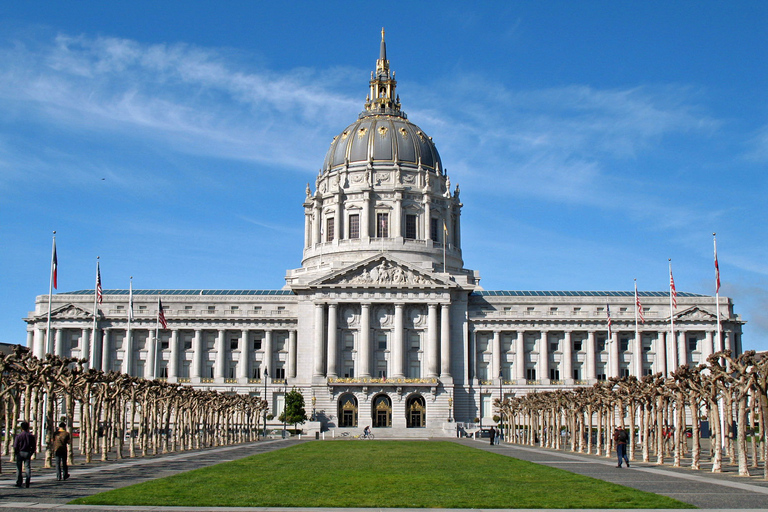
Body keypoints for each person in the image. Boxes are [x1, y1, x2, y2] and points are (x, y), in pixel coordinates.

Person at [14, 421, 36, 488]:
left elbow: (15, 446)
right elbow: (34, 446)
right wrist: (31, 452)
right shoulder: (31, 436)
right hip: (27, 452)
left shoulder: (19, 436)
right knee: (27, 467)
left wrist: (16, 453)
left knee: (19, 468)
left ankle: (19, 482)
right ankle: (27, 481)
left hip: (20, 452)